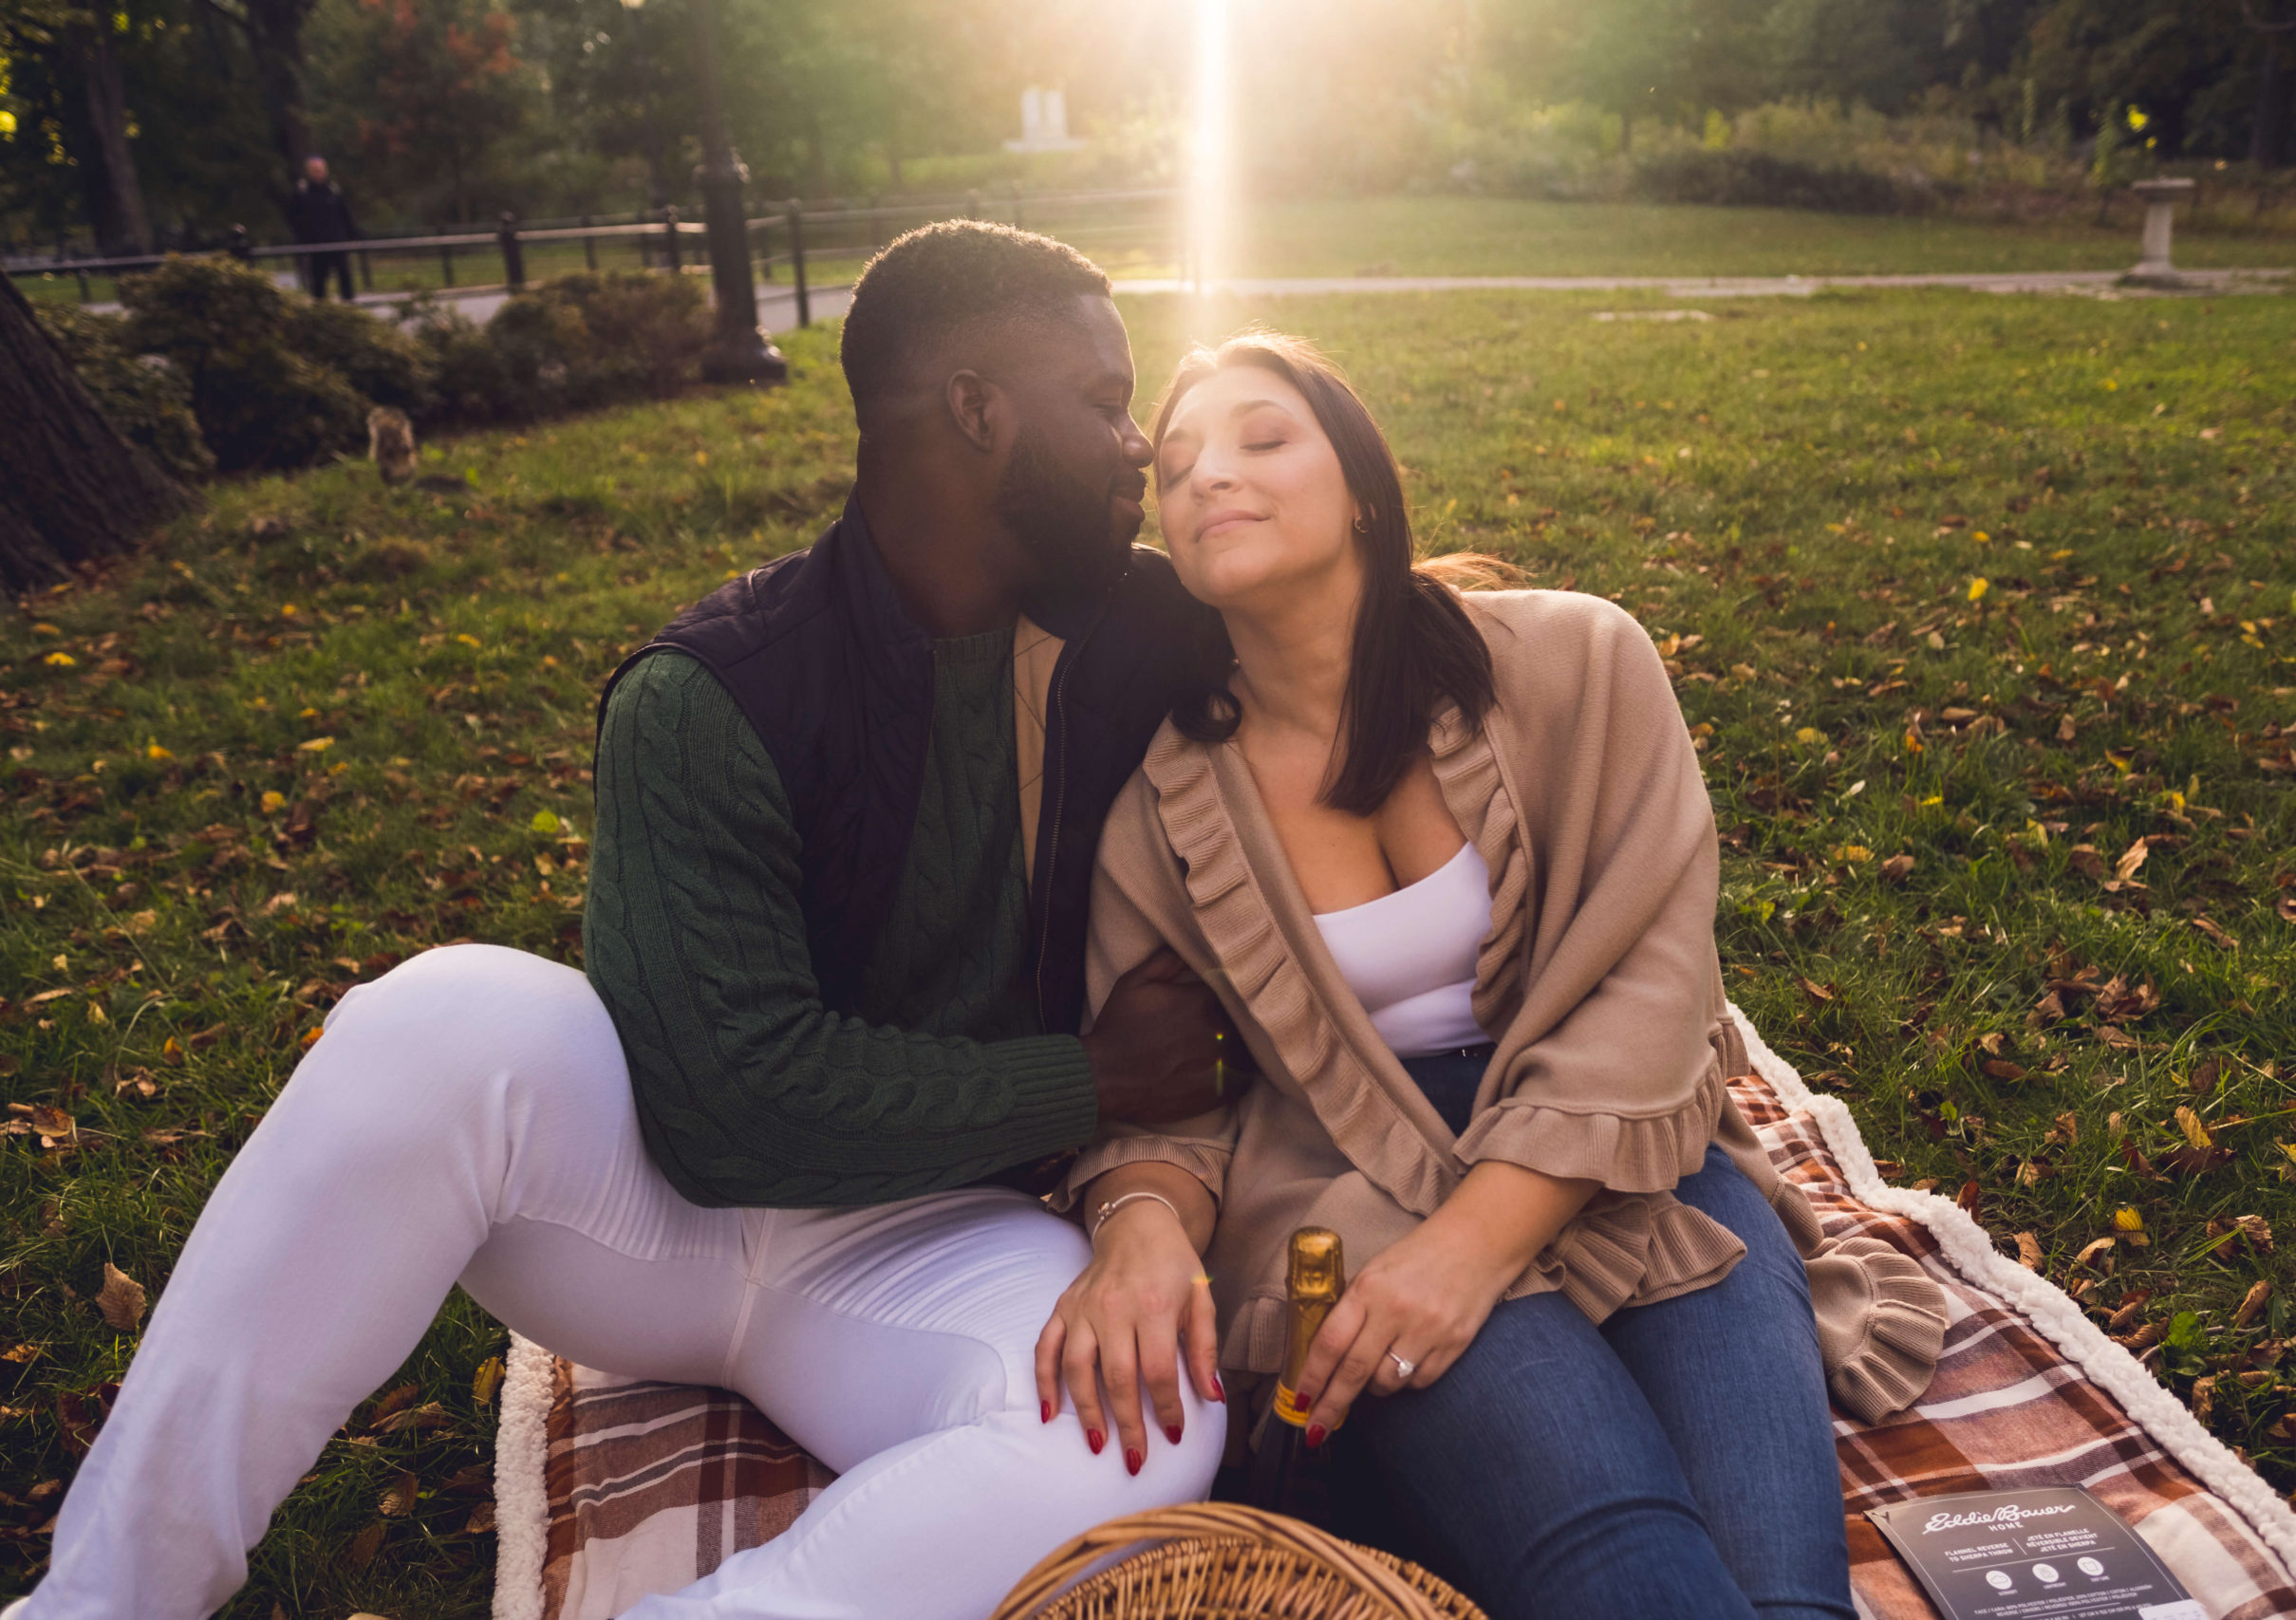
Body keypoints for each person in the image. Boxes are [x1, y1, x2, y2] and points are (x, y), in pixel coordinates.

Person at [8, 223, 1237, 1620]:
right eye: (1103, 398)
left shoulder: (1137, 627)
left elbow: (1352, 619)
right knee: (437, 1016)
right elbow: (728, 1113)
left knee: (1147, 1425)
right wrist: (1090, 1077)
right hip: (659, 1219)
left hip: (941, 1242)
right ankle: (99, 1599)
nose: (1138, 443)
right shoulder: (713, 689)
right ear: (975, 409)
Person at [1035, 331, 1951, 1620]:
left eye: (1260, 437)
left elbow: (1657, 987)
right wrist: (1134, 1229)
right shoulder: (1166, 805)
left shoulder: (1579, 661)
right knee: (1622, 1561)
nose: (1205, 479)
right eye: (1174, 466)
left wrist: (1471, 1245)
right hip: (1354, 1206)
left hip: (1631, 1160)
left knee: (1786, 1589)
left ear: (1360, 483)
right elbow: (1158, 1099)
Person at [287, 156, 358, 301]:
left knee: (344, 272)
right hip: (315, 241)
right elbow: (293, 217)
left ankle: (348, 302)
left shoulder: (333, 190)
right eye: (314, 171)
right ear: (309, 172)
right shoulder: (302, 192)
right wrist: (303, 236)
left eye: (320, 170)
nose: (318, 174)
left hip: (336, 239)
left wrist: (351, 234)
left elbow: (344, 214)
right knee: (318, 275)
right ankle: (320, 306)